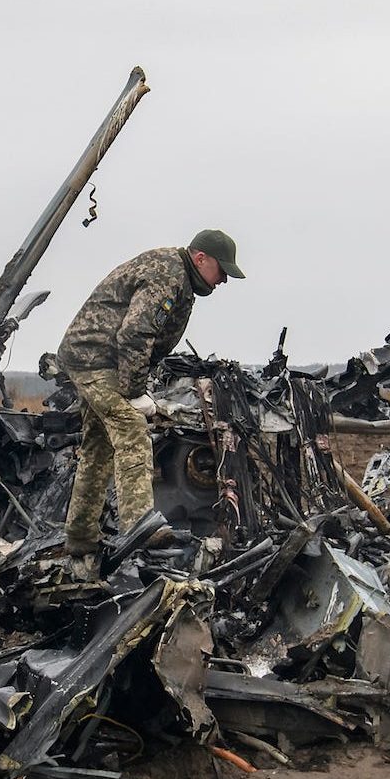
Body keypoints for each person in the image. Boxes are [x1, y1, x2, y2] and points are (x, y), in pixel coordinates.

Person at [54, 230, 245, 574]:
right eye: (222, 271)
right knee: (131, 428)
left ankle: (81, 537)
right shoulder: (168, 274)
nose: (223, 281)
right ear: (200, 258)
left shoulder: (180, 278)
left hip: (95, 357)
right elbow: (135, 333)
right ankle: (141, 527)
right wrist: (134, 391)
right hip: (94, 358)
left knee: (99, 446)